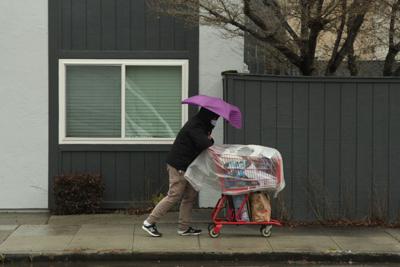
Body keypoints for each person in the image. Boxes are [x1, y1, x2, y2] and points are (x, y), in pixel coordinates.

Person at [142, 107, 219, 237]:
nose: (215, 121)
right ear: (208, 116)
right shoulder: (195, 126)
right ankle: (149, 222)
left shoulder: (202, 125)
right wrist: (210, 139)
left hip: (189, 166)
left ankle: (184, 227)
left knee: (190, 196)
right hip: (179, 165)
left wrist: (208, 135)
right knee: (174, 195)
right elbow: (204, 143)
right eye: (214, 118)